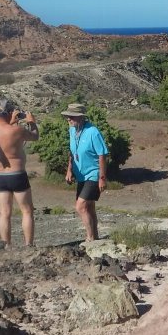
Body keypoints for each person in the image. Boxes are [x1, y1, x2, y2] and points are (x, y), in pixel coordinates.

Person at [0, 98, 39, 247]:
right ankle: (28, 244)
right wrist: (31, 122)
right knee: (27, 211)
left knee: (4, 213)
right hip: (16, 174)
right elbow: (35, 136)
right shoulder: (17, 130)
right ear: (9, 113)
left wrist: (10, 121)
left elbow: (3, 133)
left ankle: (6, 245)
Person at [62, 102, 108, 242]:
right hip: (81, 174)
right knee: (89, 207)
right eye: (68, 116)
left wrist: (102, 178)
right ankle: (95, 237)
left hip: (93, 173)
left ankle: (89, 239)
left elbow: (102, 154)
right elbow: (72, 151)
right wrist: (69, 170)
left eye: (72, 117)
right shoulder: (72, 130)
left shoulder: (93, 132)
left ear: (81, 117)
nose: (68, 119)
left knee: (81, 206)